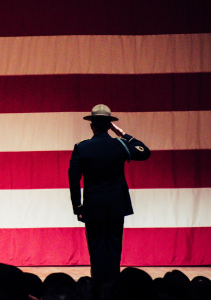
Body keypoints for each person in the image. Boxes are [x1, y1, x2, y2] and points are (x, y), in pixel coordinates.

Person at [68, 104, 150, 286]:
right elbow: (144, 152)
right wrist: (123, 134)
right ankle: (113, 286)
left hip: (92, 205)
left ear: (92, 125)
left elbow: (73, 179)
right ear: (109, 125)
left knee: (96, 247)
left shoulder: (82, 148)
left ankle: (98, 286)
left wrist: (77, 207)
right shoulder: (120, 145)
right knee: (114, 246)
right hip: (116, 204)